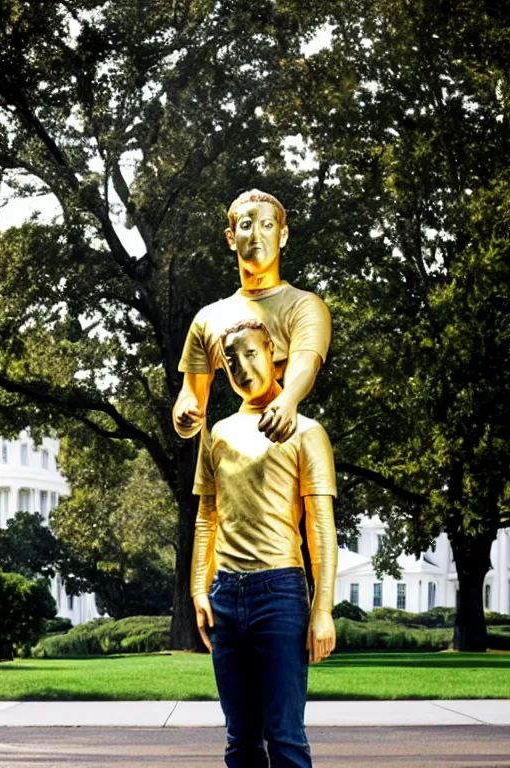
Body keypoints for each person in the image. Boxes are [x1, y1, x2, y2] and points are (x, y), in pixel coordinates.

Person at [191, 319, 337, 768]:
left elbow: (321, 528)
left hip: (281, 594)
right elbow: (205, 518)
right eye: (229, 361)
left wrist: (323, 609)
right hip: (226, 600)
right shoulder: (216, 433)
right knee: (240, 740)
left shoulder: (307, 431)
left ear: (272, 351)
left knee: (285, 737)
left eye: (250, 354)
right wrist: (199, 588)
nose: (240, 367)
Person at [173, 189, 331, 444]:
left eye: (267, 225)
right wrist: (185, 413)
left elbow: (304, 362)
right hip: (226, 454)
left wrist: (288, 400)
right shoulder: (208, 319)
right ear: (231, 238)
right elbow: (191, 393)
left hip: (287, 446)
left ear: (283, 235)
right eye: (246, 225)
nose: (256, 236)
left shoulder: (304, 305)